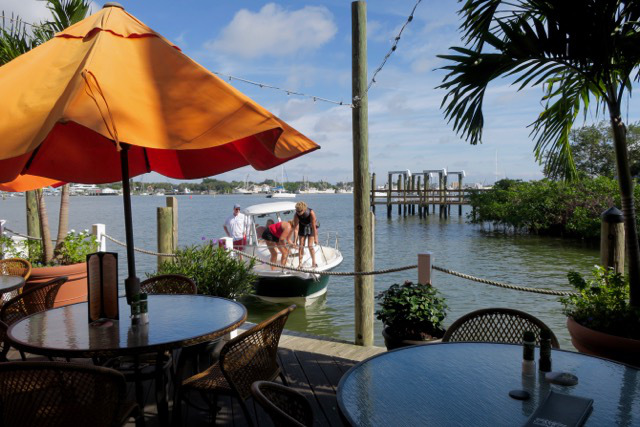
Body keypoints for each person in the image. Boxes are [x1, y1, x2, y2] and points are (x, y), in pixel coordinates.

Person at [292, 201, 318, 268]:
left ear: (304, 209)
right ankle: (300, 264)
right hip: (302, 227)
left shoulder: (311, 213)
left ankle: (314, 262)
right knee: (301, 245)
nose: (298, 212)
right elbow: (296, 229)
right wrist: (295, 241)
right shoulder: (296, 215)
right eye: (297, 211)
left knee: (310, 245)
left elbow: (314, 227)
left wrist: (316, 238)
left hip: (311, 227)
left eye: (300, 211)